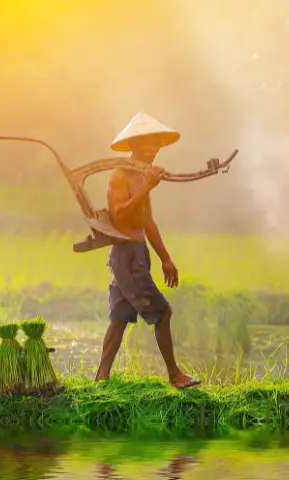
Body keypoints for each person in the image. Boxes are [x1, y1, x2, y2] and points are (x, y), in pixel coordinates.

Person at [93, 112, 200, 389]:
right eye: (146, 144)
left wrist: (165, 258)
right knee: (163, 314)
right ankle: (175, 375)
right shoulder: (120, 175)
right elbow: (120, 216)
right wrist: (148, 187)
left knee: (118, 318)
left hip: (136, 253)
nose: (153, 150)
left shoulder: (143, 176)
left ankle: (101, 379)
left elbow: (147, 221)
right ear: (133, 146)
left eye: (156, 144)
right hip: (127, 255)